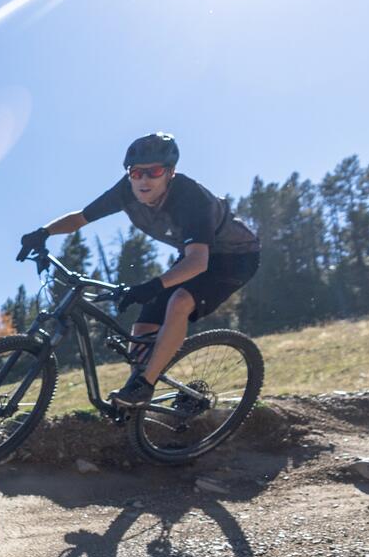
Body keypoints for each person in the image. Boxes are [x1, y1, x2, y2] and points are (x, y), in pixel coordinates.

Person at [15, 132, 260, 406]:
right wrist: (44, 232)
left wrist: (154, 285)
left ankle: (144, 386)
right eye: (136, 172)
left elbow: (198, 262)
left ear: (170, 172)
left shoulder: (192, 199)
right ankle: (136, 395)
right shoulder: (126, 190)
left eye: (153, 171)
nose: (143, 180)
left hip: (235, 257)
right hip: (193, 255)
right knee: (143, 325)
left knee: (179, 301)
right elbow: (80, 218)